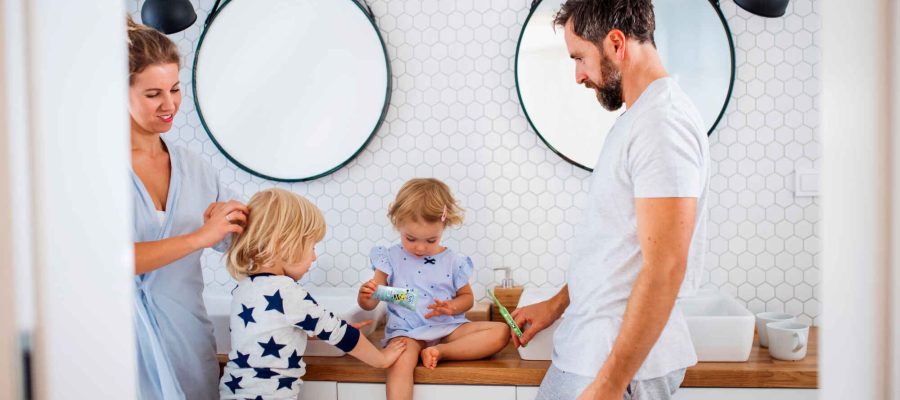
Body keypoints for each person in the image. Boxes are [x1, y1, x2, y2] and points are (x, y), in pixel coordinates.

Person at [510, 1, 710, 399]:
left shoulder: (661, 124)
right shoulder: (640, 120)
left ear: (616, 43)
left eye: (580, 57)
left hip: (611, 368)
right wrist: (557, 303)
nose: (578, 75)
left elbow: (666, 266)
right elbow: (617, 248)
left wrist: (610, 384)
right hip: (594, 352)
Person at [128, 16, 248, 399]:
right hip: (119, 352)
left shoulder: (195, 169)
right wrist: (199, 237)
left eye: (175, 89)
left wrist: (247, 226)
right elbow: (102, 263)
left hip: (189, 346)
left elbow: (243, 250)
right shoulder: (94, 173)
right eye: (153, 94)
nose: (170, 105)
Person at [219, 188, 406, 399]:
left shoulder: (243, 288)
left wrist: (320, 332)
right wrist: (382, 359)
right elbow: (342, 332)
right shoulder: (288, 292)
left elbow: (271, 329)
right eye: (312, 246)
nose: (314, 257)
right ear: (285, 243)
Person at [357, 178, 510, 400]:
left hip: (447, 328)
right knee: (398, 363)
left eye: (431, 240)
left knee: (500, 332)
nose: (420, 248)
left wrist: (451, 306)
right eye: (410, 238)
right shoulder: (389, 257)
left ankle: (439, 352)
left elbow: (467, 298)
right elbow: (373, 300)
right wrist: (367, 296)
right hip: (407, 332)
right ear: (398, 223)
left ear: (444, 225)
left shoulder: (453, 261)